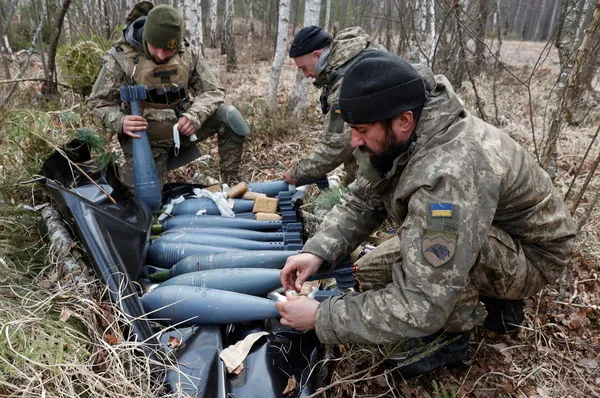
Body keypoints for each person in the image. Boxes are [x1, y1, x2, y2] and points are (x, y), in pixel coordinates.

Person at [276, 51, 577, 375]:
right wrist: (318, 251)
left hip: (533, 255)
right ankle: (494, 301)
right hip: (487, 227)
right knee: (370, 273)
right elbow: (365, 199)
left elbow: (421, 302)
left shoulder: (449, 177)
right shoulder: (401, 132)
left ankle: (451, 339)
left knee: (432, 282)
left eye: (361, 129)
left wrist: (322, 316)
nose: (353, 140)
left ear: (403, 121)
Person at [87, 3, 248, 189]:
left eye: (169, 49)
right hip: (145, 139)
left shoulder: (187, 52)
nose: (162, 55)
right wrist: (120, 121)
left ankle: (232, 182)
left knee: (229, 116)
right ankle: (130, 173)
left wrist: (194, 115)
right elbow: (97, 102)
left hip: (182, 129)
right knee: (148, 202)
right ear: (146, 36)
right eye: (156, 47)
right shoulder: (120, 58)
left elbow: (213, 91)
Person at [283, 26, 383, 186]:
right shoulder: (352, 57)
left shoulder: (346, 81)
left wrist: (297, 173)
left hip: (386, 171)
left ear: (316, 56)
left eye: (303, 67)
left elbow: (337, 145)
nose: (305, 74)